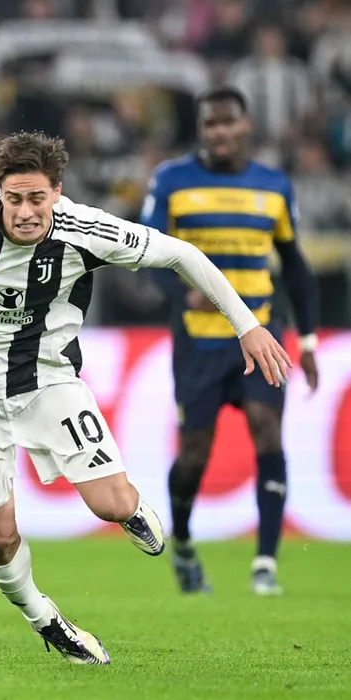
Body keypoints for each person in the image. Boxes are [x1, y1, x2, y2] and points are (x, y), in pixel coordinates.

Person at [0, 130, 291, 666]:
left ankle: (132, 509)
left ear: (57, 193)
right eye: (14, 199)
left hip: (47, 382)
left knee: (110, 504)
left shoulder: (86, 228)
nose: (24, 212)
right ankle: (47, 620)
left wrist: (247, 325)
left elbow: (181, 254)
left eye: (37, 199)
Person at [141, 85, 318, 596]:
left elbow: (296, 266)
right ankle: (183, 544)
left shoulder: (274, 186)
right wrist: (181, 294)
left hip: (261, 334)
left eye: (227, 122)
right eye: (209, 124)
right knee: (195, 452)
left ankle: (265, 564)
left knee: (267, 428)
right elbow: (145, 254)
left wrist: (307, 339)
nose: (218, 132)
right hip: (200, 341)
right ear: (201, 129)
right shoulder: (172, 181)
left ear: (245, 126)